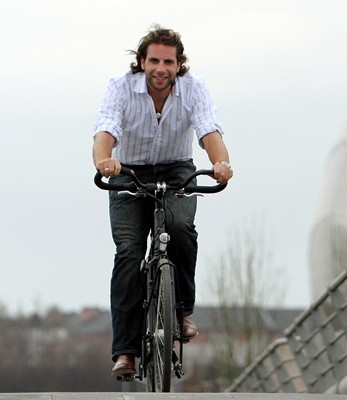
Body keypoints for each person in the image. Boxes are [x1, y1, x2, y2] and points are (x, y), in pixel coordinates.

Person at [92, 25, 233, 378]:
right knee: (129, 250)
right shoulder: (121, 87)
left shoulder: (194, 89)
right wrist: (104, 160)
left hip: (175, 170)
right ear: (142, 62)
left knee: (181, 227)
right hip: (128, 170)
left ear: (178, 64)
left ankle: (183, 310)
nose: (161, 68)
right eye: (154, 60)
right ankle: (124, 351)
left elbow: (208, 131)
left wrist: (221, 163)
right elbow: (105, 130)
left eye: (168, 62)